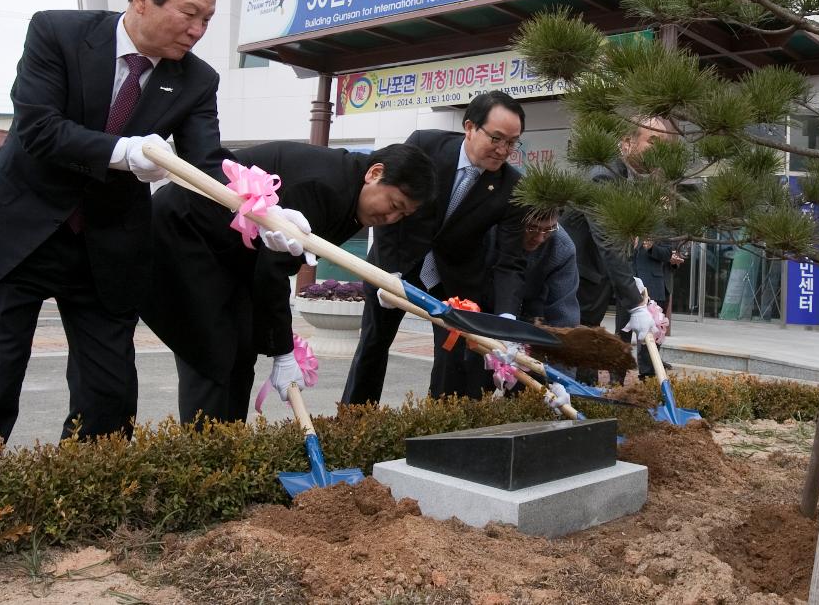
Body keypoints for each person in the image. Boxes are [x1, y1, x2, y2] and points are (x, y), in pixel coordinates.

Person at [0, 0, 227, 451]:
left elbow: (207, 164)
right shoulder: (58, 33)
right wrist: (122, 151)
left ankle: (91, 512)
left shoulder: (197, 80)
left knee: (108, 395)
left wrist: (259, 205)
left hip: (108, 250)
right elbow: (38, 128)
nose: (198, 29)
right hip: (18, 237)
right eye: (189, 14)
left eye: (207, 19)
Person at [145, 142, 436, 424]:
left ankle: (226, 448)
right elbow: (272, 271)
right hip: (183, 233)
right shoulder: (325, 187)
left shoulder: (353, 195)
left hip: (231, 256)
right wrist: (283, 352)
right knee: (212, 352)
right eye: (394, 205)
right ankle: (203, 457)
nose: (391, 218)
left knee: (242, 349)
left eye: (403, 215)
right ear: (374, 173)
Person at [342, 91, 529, 403]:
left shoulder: (512, 186)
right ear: (470, 127)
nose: (502, 150)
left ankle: (441, 427)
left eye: (512, 142)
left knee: (454, 359)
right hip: (398, 263)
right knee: (374, 344)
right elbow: (390, 213)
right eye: (496, 138)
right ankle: (353, 419)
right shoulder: (425, 145)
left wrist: (507, 318)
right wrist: (389, 275)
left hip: (455, 278)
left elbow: (511, 261)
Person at [562, 116, 675, 380]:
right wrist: (636, 305)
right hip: (575, 288)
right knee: (572, 364)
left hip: (592, 289)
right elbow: (609, 243)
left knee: (584, 362)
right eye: (653, 141)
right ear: (626, 143)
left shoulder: (625, 177)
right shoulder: (603, 177)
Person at [488, 207, 579, 328]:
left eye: (549, 229)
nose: (539, 238)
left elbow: (564, 312)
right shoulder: (491, 231)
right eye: (532, 228)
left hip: (529, 316)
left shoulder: (563, 248)